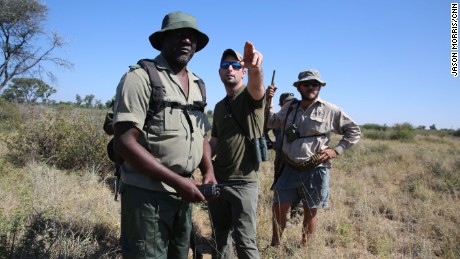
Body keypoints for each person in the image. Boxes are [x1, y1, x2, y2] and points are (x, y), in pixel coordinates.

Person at [112, 11, 216, 258]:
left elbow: (201, 136)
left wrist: (209, 171)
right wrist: (178, 182)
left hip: (185, 194)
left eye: (191, 37)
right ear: (162, 40)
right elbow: (124, 143)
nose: (186, 41)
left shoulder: (198, 84)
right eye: (178, 35)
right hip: (148, 195)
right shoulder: (139, 78)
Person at [266, 69, 361, 247]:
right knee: (279, 207)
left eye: (315, 84)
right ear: (299, 87)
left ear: (319, 87)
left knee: (310, 211)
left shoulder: (330, 109)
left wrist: (337, 150)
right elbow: (271, 122)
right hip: (289, 166)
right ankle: (274, 247)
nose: (311, 87)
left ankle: (305, 250)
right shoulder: (290, 107)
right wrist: (268, 100)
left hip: (316, 169)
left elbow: (354, 131)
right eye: (307, 84)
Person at [208, 43, 265, 259]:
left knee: (245, 242)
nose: (229, 68)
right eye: (225, 65)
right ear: (220, 71)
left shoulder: (250, 98)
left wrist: (255, 69)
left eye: (234, 65)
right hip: (218, 181)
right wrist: (204, 166)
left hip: (243, 182)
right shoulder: (220, 106)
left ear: (242, 71)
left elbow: (257, 87)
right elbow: (214, 141)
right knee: (220, 239)